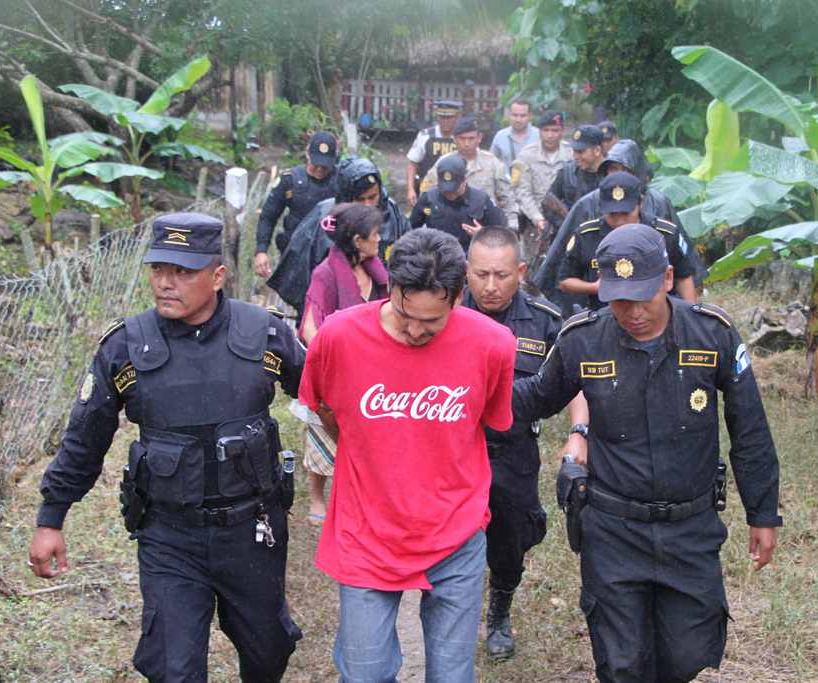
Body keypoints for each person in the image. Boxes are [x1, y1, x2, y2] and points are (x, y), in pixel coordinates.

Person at [28, 212, 305, 682]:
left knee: (267, 652)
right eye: (159, 269)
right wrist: (51, 518)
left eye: (183, 272)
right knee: (173, 669)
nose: (166, 283)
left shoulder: (268, 336)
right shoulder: (126, 348)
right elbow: (85, 437)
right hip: (170, 536)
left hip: (252, 530)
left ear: (218, 276)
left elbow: (325, 397)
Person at [513, 224, 782, 683]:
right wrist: (463, 385)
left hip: (690, 529)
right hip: (614, 531)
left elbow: (750, 428)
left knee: (686, 656)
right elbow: (533, 398)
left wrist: (763, 512)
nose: (632, 312)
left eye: (642, 296)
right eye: (619, 299)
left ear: (666, 278)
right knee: (622, 664)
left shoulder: (711, 334)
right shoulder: (582, 340)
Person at [300, 227, 516, 682]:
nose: (416, 330)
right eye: (405, 314)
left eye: (431, 322)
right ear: (391, 287)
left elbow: (486, 422)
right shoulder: (338, 337)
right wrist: (368, 456)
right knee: (365, 673)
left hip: (456, 533)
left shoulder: (493, 345)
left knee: (452, 675)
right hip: (366, 532)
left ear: (458, 298)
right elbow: (324, 409)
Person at [461, 227, 572, 661]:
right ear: (466, 271)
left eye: (502, 275)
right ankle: (451, 616)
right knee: (451, 543)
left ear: (521, 272)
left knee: (510, 541)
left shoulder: (545, 320)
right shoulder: (443, 312)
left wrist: (578, 437)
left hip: (513, 452)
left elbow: (574, 380)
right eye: (481, 274)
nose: (490, 286)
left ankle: (499, 614)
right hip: (454, 454)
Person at [534, 139, 707, 311]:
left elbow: (685, 271)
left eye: (626, 171)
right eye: (613, 170)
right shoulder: (587, 207)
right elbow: (562, 273)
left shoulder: (659, 205)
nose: (620, 220)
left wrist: (690, 315)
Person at [298, 202, 389, 525]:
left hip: (373, 369)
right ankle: (317, 497)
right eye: (375, 234)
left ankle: (362, 493)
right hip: (336, 368)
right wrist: (335, 358)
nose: (380, 239)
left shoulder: (376, 271)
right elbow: (310, 326)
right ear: (357, 240)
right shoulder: (325, 274)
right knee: (322, 430)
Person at [267, 156, 410, 321]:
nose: (368, 205)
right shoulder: (325, 218)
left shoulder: (391, 212)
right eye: (360, 199)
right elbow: (302, 274)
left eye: (372, 197)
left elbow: (408, 255)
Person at [559, 172, 697, 311]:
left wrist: (691, 314)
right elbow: (565, 280)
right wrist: (595, 287)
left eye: (625, 213)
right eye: (612, 214)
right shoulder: (586, 235)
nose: (619, 220)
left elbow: (684, 276)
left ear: (640, 203)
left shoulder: (664, 233)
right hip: (604, 316)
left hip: (658, 314)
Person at [254, 131, 339, 278]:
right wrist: (261, 250)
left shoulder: (342, 181)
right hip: (295, 257)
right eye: (316, 164)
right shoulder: (290, 180)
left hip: (330, 257)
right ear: (307, 154)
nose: (319, 170)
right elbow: (268, 216)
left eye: (325, 167)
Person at [422, 116, 519, 230]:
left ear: (479, 138)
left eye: (471, 138)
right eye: (462, 138)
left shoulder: (492, 163)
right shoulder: (443, 163)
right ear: (454, 139)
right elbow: (427, 196)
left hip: (483, 227)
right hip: (449, 226)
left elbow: (507, 198)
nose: (467, 143)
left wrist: (512, 225)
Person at [410, 154, 507, 251]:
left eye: (454, 189)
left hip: (470, 259)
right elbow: (409, 231)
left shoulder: (482, 200)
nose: (450, 194)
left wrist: (483, 234)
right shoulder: (428, 199)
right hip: (437, 259)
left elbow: (503, 235)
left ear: (464, 180)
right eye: (445, 190)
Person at [511, 111, 573, 264]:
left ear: (562, 131)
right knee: (532, 268)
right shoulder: (526, 155)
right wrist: (538, 219)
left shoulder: (571, 154)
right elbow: (522, 193)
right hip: (534, 226)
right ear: (539, 131)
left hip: (565, 224)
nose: (550, 135)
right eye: (546, 130)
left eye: (555, 130)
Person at [407, 99, 461, 207]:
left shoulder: (462, 138)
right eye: (442, 117)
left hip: (456, 190)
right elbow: (413, 163)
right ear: (437, 117)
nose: (445, 121)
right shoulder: (425, 136)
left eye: (449, 117)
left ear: (457, 117)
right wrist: (410, 189)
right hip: (427, 187)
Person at [547, 124, 605, 210]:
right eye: (574, 151)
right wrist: (566, 222)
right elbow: (549, 202)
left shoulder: (611, 174)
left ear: (597, 150)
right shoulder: (566, 173)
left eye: (580, 152)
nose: (575, 156)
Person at [489, 98, 539, 171]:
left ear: (530, 116)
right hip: (506, 181)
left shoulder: (539, 136)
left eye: (523, 116)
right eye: (515, 115)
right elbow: (491, 163)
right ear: (509, 115)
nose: (518, 120)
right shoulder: (500, 136)